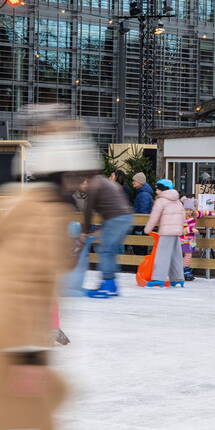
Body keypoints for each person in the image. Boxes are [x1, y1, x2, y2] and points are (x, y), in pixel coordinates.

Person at [0, 103, 99, 429]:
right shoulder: (43, 213)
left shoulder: (21, 202)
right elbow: (15, 285)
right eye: (74, 177)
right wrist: (27, 355)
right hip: (12, 343)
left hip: (16, 341)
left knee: (55, 395)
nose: (78, 184)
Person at [83, 171, 134, 298]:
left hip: (116, 218)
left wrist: (84, 232)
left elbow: (88, 211)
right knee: (110, 252)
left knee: (105, 251)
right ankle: (112, 285)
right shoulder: (107, 183)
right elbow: (111, 205)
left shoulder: (94, 184)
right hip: (126, 217)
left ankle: (107, 285)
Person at [144, 179, 186, 288]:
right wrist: (180, 228)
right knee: (175, 255)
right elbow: (183, 215)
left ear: (162, 189)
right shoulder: (177, 200)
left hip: (166, 231)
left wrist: (147, 230)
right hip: (176, 231)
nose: (156, 191)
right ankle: (178, 279)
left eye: (157, 188)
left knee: (162, 255)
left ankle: (158, 278)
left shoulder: (161, 200)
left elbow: (154, 217)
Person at [131, 172, 154, 255]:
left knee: (140, 249)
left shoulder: (143, 195)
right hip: (141, 226)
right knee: (140, 248)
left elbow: (143, 212)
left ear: (140, 182)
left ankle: (140, 266)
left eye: (134, 181)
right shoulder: (142, 193)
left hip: (141, 227)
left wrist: (139, 229)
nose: (132, 182)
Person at [180, 209, 200, 282]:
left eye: (190, 210)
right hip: (185, 240)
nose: (189, 212)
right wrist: (192, 229)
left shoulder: (194, 215)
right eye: (186, 210)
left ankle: (185, 270)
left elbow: (201, 212)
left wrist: (212, 213)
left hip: (192, 240)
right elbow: (181, 231)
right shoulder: (182, 218)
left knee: (189, 255)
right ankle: (185, 270)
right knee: (188, 255)